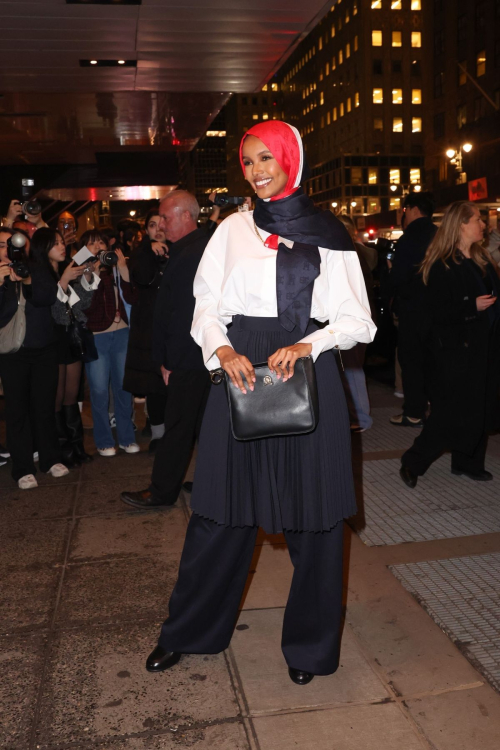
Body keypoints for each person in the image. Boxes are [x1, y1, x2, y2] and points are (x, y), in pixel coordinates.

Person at [143, 122, 375, 685]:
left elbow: (358, 322)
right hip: (240, 374)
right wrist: (219, 348)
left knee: (316, 522)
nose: (257, 170)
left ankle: (310, 648)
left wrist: (308, 342)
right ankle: (190, 632)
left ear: (292, 158)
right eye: (248, 162)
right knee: (219, 514)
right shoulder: (231, 229)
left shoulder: (329, 233)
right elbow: (206, 302)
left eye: (267, 157)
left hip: (306, 373)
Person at [120, 190, 212, 508]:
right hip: (196, 356)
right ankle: (209, 485)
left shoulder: (193, 252)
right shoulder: (189, 249)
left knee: (177, 427)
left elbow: (183, 315)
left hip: (188, 358)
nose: (161, 224)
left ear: (186, 216)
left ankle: (161, 492)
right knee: (201, 425)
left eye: (166, 218)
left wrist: (168, 360)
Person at [400, 201, 500, 489]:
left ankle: (468, 462)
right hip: (455, 350)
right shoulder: (443, 264)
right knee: (449, 413)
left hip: (485, 345)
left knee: (480, 407)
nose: (484, 225)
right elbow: (435, 311)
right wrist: (472, 306)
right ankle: (413, 460)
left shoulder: (480, 259)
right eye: (478, 220)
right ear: (461, 225)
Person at [0, 228, 69, 489]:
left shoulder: (37, 268)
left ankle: (50, 459)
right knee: (17, 411)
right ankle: (22, 467)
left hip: (43, 349)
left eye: (15, 244)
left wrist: (26, 280)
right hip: (12, 354)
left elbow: (46, 298)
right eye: (3, 245)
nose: (9, 249)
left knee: (44, 406)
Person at [30, 228, 99, 465]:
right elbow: (56, 313)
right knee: (56, 397)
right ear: (43, 248)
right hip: (52, 339)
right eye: (55, 243)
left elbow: (81, 306)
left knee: (72, 395)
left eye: (62, 242)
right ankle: (61, 449)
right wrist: (64, 281)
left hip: (72, 337)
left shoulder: (64, 269)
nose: (61, 247)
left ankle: (77, 446)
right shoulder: (39, 273)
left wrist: (89, 277)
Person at [81, 230, 139, 457]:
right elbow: (85, 306)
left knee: (124, 387)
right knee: (98, 390)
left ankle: (126, 438)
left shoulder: (115, 266)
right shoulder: (81, 269)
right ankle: (104, 440)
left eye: (101, 243)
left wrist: (123, 269)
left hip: (122, 331)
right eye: (91, 244)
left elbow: (133, 298)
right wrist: (90, 273)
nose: (97, 247)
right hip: (97, 335)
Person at [386, 192, 437, 427]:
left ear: (413, 209)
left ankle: (414, 411)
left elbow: (399, 276)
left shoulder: (410, 237)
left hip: (413, 308)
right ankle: (436, 408)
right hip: (438, 307)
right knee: (433, 360)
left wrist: (390, 270)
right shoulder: (439, 234)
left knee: (411, 360)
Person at [123, 207, 169, 453]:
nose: (158, 229)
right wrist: (147, 252)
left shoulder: (179, 248)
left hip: (175, 327)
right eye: (152, 225)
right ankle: (158, 433)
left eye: (161, 223)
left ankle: (175, 432)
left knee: (176, 382)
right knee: (155, 383)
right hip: (149, 328)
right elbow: (141, 278)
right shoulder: (141, 254)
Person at [337, 214, 374, 432]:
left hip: (353, 319)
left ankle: (361, 418)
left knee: (351, 369)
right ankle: (358, 416)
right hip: (357, 318)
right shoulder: (358, 253)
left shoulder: (348, 255)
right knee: (350, 368)